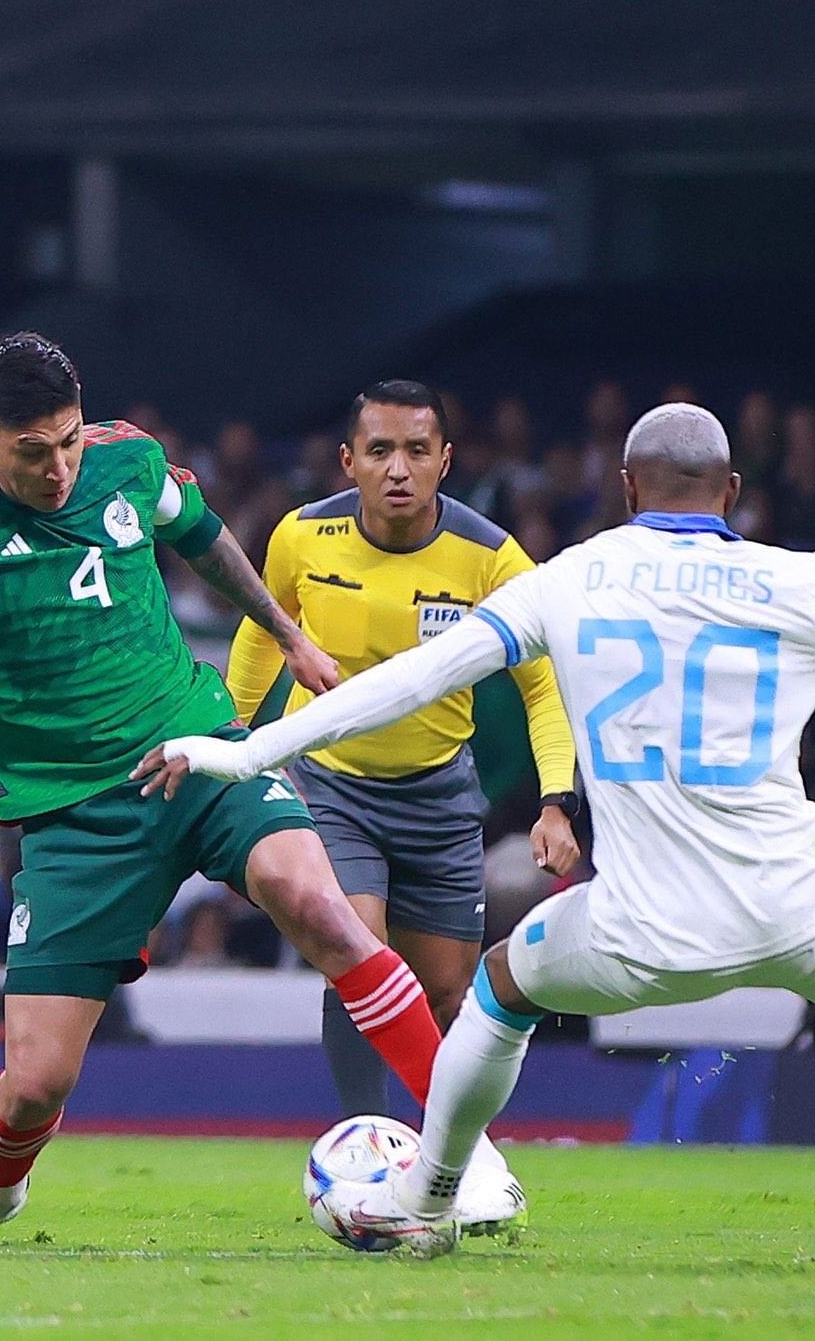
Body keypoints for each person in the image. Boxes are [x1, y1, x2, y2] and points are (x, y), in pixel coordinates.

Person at [141, 402, 815, 1278]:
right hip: (812, 903)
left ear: (626, 487)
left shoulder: (567, 577)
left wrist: (245, 752)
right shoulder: (796, 581)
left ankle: (430, 1201)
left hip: (641, 924)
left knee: (497, 986)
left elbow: (405, 681)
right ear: (731, 491)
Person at [0, 333, 497, 1245]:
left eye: (68, 440)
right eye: (31, 452)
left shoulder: (127, 458)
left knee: (319, 906)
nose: (57, 469)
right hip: (71, 810)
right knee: (37, 1080)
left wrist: (285, 633)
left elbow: (202, 538)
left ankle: (466, 1159)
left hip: (195, 750)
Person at [225, 380, 579, 1118]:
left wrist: (555, 802)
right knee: (356, 953)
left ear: (445, 461)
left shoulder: (491, 559)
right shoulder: (299, 536)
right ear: (347, 461)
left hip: (438, 794)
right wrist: (232, 741)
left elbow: (544, 690)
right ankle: (366, 1140)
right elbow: (265, 628)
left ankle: (443, 1159)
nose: (397, 468)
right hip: (330, 785)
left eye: (416, 450)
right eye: (379, 450)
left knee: (447, 992)